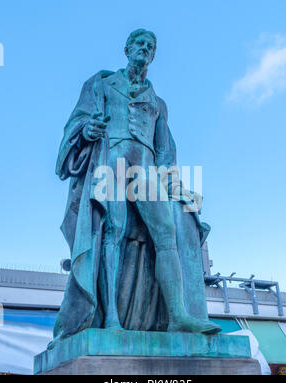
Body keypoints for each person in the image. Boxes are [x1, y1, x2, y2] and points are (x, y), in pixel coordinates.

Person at [50, 29, 221, 348]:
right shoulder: (100, 83)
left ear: (154, 56)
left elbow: (165, 150)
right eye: (140, 44)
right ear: (126, 49)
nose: (145, 49)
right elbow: (77, 122)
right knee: (113, 232)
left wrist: (177, 187)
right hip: (110, 157)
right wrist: (86, 129)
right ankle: (111, 316)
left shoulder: (158, 102)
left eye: (151, 47)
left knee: (167, 231)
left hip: (145, 166)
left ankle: (177, 314)